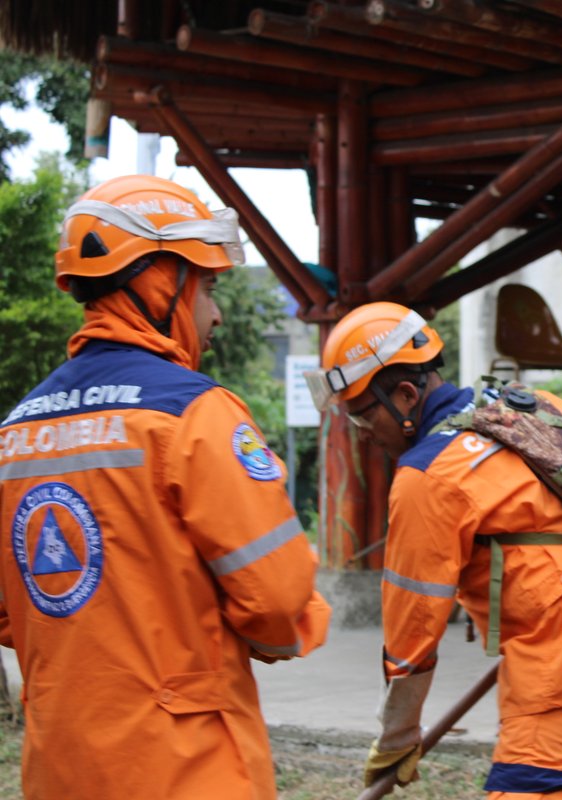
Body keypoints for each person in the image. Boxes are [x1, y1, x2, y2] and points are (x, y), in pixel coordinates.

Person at [0, 175, 331, 799]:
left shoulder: (14, 433)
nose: (216, 312)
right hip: (184, 768)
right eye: (206, 286)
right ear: (159, 281)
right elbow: (279, 600)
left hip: (60, 768)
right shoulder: (194, 415)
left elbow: (12, 610)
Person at [308, 301, 562, 799]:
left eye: (364, 419)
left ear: (404, 395)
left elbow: (414, 622)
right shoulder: (533, 408)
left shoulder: (429, 475)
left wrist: (398, 734)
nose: (364, 436)